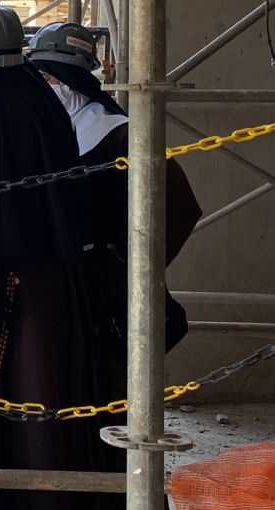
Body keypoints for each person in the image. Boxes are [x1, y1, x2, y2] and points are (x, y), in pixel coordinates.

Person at [0, 6, 119, 510]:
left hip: (15, 291)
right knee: (52, 417)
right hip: (56, 285)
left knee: (26, 423)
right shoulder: (38, 104)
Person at [27, 21, 202, 365]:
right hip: (62, 274)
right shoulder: (50, 131)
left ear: (68, 78)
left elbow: (178, 204)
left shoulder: (118, 134)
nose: (43, 88)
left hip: (103, 277)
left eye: (47, 78)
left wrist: (131, 259)